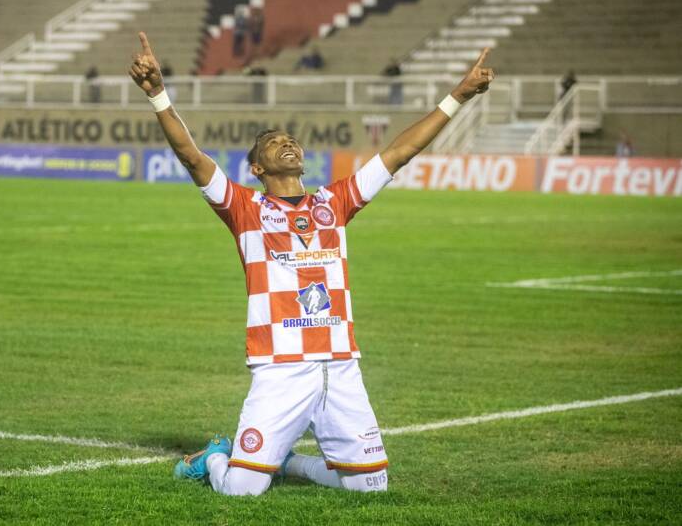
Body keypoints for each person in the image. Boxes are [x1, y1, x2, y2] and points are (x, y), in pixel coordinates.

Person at [129, 31, 493, 496]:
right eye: (273, 143)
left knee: (371, 486)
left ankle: (288, 464)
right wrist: (158, 94)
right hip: (281, 366)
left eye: (291, 140)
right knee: (241, 489)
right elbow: (190, 155)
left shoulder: (334, 203)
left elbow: (400, 152)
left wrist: (459, 95)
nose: (287, 144)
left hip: (339, 365)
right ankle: (214, 457)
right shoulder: (245, 209)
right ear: (257, 169)